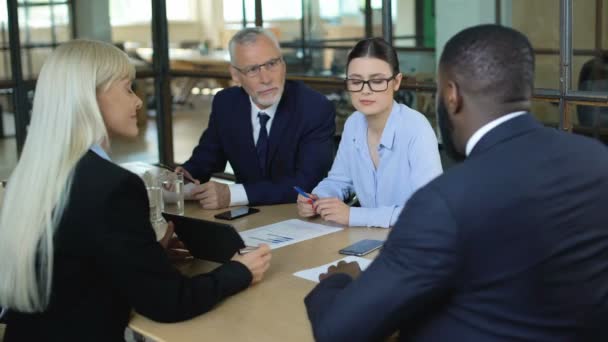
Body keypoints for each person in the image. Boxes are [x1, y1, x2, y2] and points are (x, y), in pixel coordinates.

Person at [304, 24, 608, 341]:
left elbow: (339, 331)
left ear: (451, 95)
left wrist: (339, 282)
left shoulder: (443, 202)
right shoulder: (597, 160)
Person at [0, 40, 271, 342]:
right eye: (128, 88)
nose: (139, 102)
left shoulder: (34, 173)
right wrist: (240, 271)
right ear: (91, 97)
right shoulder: (112, 186)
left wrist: (146, 257)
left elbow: (74, 264)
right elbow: (168, 303)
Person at [177, 27, 336, 209]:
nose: (266, 79)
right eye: (252, 69)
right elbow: (206, 159)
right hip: (248, 219)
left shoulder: (314, 107)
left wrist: (232, 194)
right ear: (235, 75)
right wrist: (182, 177)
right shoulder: (226, 103)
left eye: (271, 64)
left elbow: (308, 183)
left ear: (283, 64)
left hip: (298, 216)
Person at [296, 38, 442, 228]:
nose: (365, 91)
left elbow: (429, 211)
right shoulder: (353, 123)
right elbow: (339, 180)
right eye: (356, 81)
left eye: (377, 81)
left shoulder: (416, 129)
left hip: (414, 241)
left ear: (396, 82)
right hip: (368, 239)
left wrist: (353, 216)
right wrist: (318, 198)